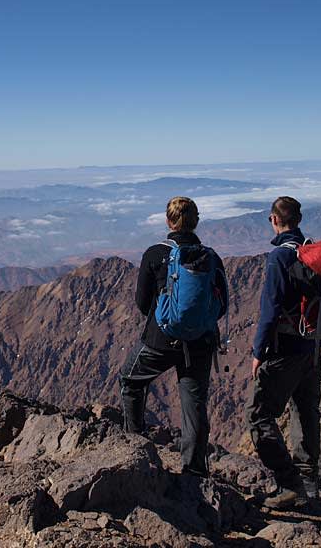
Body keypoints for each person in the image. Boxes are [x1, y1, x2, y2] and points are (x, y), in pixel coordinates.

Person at [120, 196, 228, 477]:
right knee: (194, 403)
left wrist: (166, 318)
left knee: (130, 379)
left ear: (168, 221)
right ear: (196, 222)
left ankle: (134, 445)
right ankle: (194, 470)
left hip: (160, 340)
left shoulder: (155, 253)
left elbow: (143, 302)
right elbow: (222, 304)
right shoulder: (211, 257)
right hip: (201, 342)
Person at [246, 196, 320, 509]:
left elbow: (270, 309)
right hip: (311, 348)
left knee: (259, 415)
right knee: (305, 410)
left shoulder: (279, 257)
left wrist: (258, 351)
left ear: (275, 220)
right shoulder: (312, 251)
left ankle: (291, 486)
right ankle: (308, 483)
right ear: (298, 219)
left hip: (284, 349)